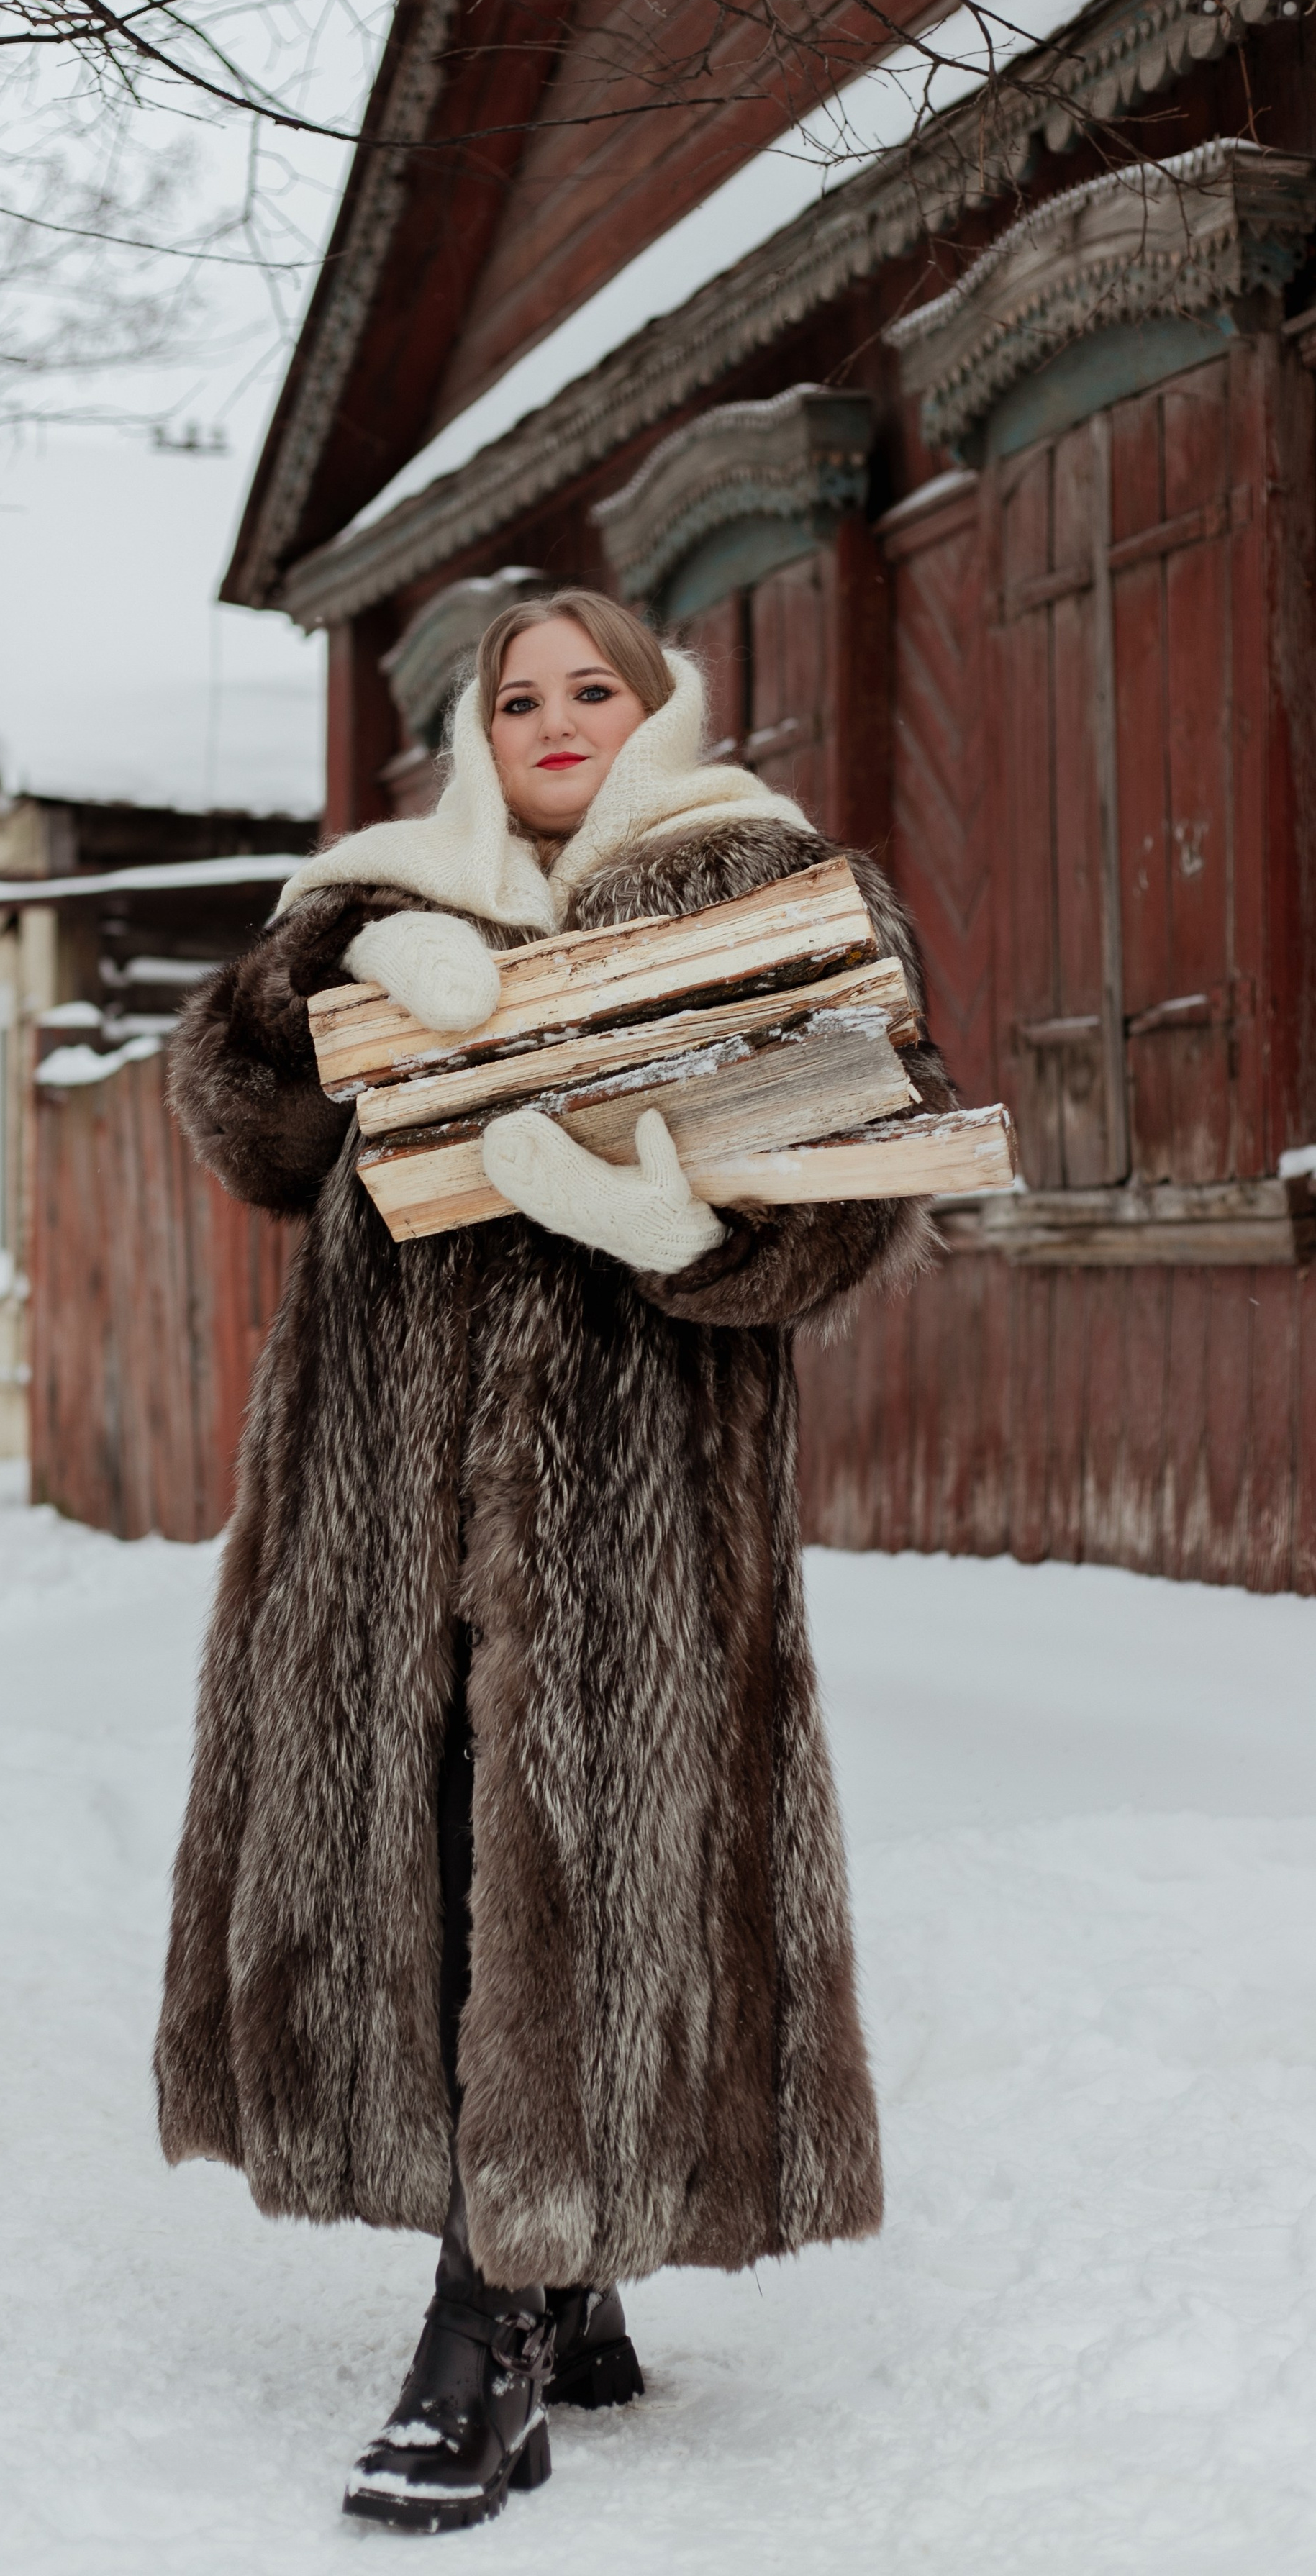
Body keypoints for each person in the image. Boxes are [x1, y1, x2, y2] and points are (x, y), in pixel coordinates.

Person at [155, 589, 952, 2534]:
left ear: (658, 703)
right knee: (425, 1857)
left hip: (630, 1514)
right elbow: (244, 1129)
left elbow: (872, 1158)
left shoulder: (753, 876)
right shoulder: (372, 887)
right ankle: (561, 2274)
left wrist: (675, 1229)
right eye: (523, 695)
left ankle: (484, 2333)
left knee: (575, 1861)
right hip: (369, 1501)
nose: (559, 717)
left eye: (596, 686)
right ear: (474, 727)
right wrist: (338, 965)